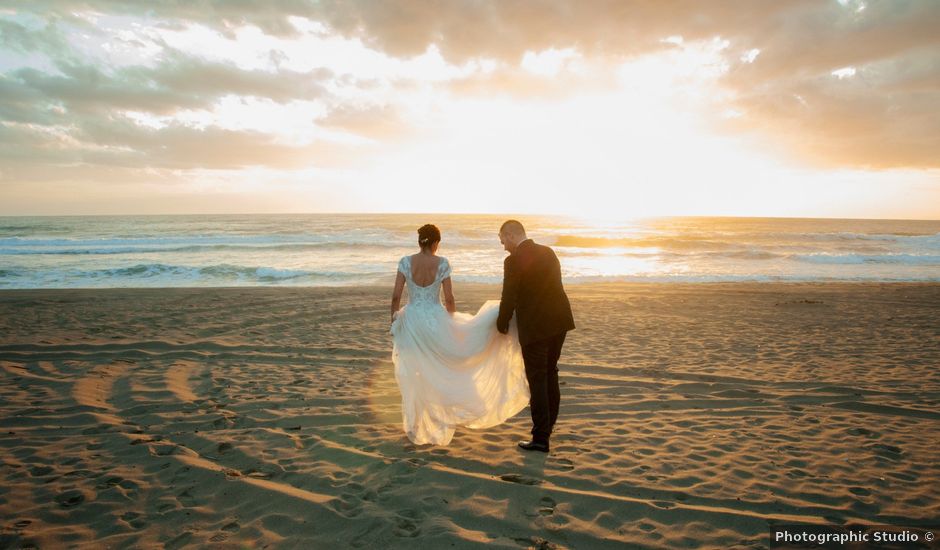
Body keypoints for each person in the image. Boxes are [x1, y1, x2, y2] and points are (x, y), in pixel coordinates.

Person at [389, 224, 529, 446]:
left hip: (412, 320)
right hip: (435, 319)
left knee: (416, 372)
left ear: (419, 242)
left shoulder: (405, 262)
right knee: (438, 367)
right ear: (436, 243)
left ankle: (416, 424)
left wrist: (394, 321)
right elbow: (450, 299)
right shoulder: (442, 263)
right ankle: (440, 417)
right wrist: (451, 322)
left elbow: (396, 296)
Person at [497, 220, 575, 453]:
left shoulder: (512, 261)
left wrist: (502, 323)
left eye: (502, 240)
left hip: (535, 327)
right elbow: (554, 285)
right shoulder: (548, 252)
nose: (503, 246)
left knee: (538, 379)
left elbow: (509, 295)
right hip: (559, 322)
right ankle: (547, 428)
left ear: (511, 235)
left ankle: (541, 438)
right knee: (550, 372)